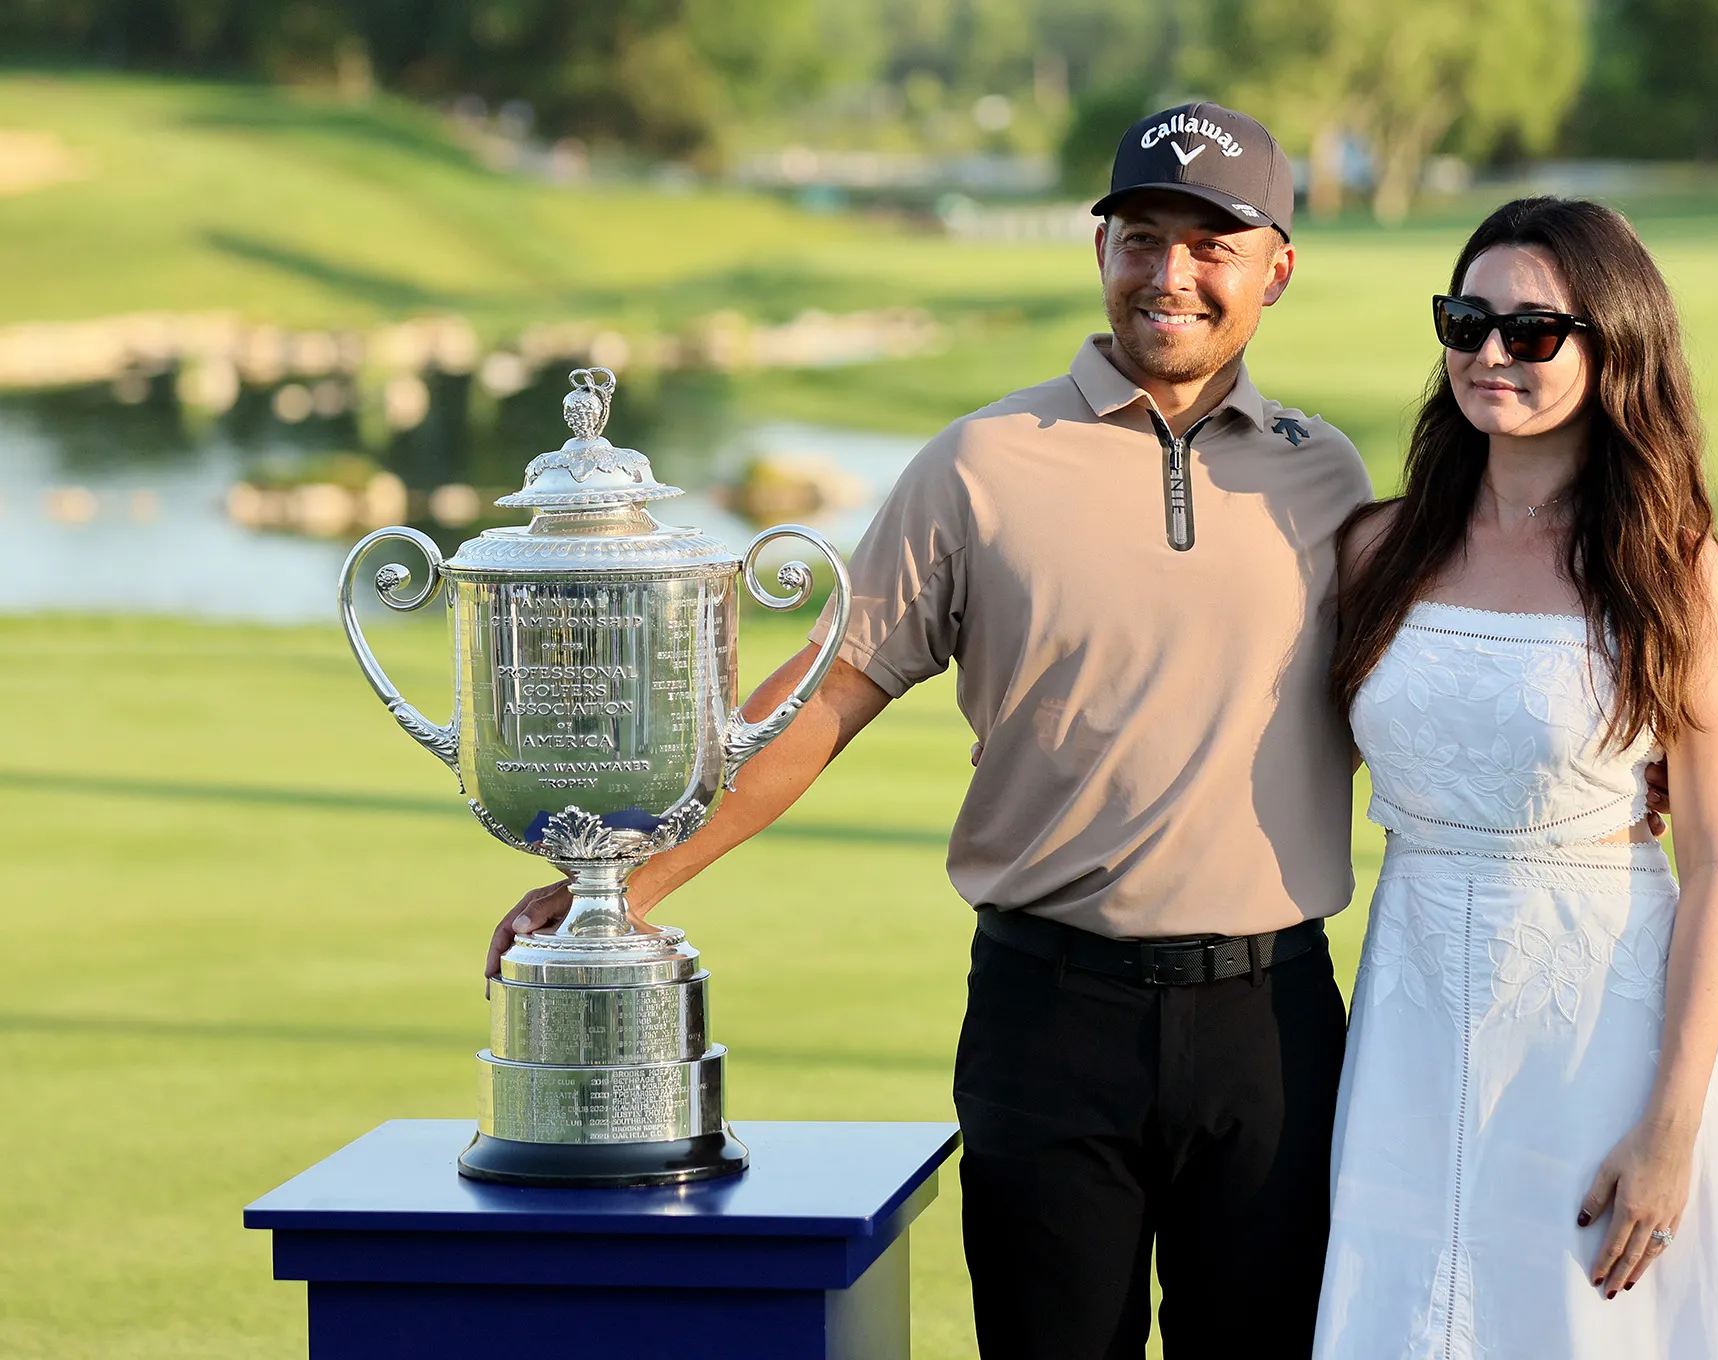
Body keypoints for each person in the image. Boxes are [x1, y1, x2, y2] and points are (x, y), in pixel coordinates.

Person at [491, 104, 1373, 1357]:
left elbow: (1428, 690)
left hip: (1270, 1024)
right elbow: (828, 690)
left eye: (1207, 243)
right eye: (1138, 236)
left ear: (1274, 267)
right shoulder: (979, 463)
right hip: (1049, 1012)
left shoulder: (1324, 475)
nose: (1167, 274)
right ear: (1101, 250)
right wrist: (625, 876)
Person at [1311, 197, 1718, 1358]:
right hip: (1407, 1021)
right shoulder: (1374, 548)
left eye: (1530, 332)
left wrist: (1669, 1128)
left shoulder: (1679, 575)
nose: (1487, 355)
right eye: (1464, 322)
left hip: (1601, 1038)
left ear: (1610, 343)